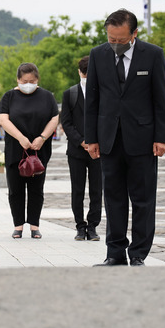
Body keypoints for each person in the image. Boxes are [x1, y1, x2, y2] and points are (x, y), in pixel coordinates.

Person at [84, 9, 165, 267]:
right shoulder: (98, 55)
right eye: (111, 39)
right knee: (113, 198)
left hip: (143, 139)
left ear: (134, 34)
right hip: (109, 138)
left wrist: (161, 137)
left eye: (121, 40)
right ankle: (115, 253)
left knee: (143, 200)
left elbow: (160, 99)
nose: (116, 45)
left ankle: (139, 253)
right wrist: (91, 138)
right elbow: (93, 100)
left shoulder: (153, 55)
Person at [0, 63, 59, 240]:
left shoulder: (47, 96)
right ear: (18, 79)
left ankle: (34, 225)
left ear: (37, 79)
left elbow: (54, 118)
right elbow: (3, 118)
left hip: (39, 149)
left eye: (32, 81)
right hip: (16, 149)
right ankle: (18, 225)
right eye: (25, 81)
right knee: (15, 189)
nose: (28, 84)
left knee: (36, 189)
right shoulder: (9, 96)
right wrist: (20, 138)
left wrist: (42, 137)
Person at [61, 55, 102, 241]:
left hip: (98, 149)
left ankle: (93, 226)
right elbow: (66, 123)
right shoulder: (70, 93)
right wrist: (81, 141)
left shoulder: (103, 92)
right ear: (79, 72)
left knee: (96, 189)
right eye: (84, 72)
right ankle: (80, 225)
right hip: (76, 151)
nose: (86, 75)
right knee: (77, 189)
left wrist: (95, 140)